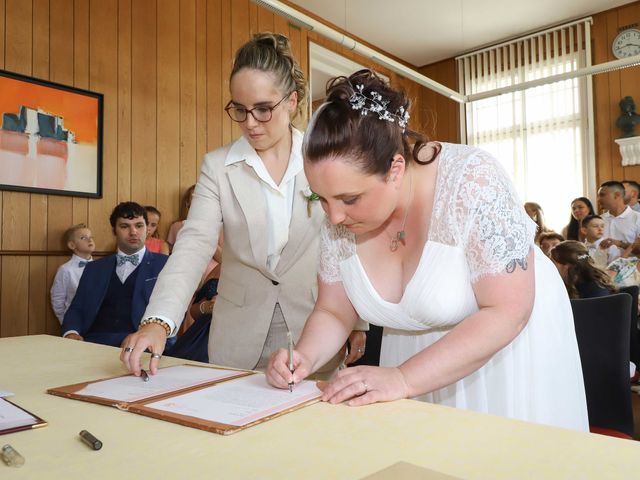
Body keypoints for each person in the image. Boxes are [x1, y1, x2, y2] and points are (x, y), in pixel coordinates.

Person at [266, 69, 588, 431]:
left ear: (395, 169)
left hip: (503, 349)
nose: (334, 216)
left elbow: (507, 311)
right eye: (319, 198)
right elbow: (334, 311)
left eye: (349, 198)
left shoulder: (472, 180)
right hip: (409, 358)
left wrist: (403, 378)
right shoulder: (340, 220)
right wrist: (305, 356)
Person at [120, 33, 366, 376]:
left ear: (292, 101)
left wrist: (359, 320)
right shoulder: (218, 167)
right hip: (238, 335)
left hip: (317, 327)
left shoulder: (323, 156)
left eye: (264, 109)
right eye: (239, 109)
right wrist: (158, 321)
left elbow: (348, 241)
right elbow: (194, 245)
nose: (250, 123)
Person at [62, 202, 174, 349]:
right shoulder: (94, 268)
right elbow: (77, 308)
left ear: (147, 229)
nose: (133, 232)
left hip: (144, 344)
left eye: (139, 226)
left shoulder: (166, 265)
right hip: (94, 342)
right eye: (125, 226)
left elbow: (173, 310)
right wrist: (71, 332)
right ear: (114, 230)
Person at [50, 224, 95, 324]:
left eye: (91, 237)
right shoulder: (65, 270)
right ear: (72, 245)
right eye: (83, 238)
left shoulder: (102, 268)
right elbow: (57, 299)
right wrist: (67, 324)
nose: (90, 240)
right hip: (75, 322)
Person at [549, 241, 616, 299]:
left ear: (566, 266)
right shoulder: (599, 282)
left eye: (553, 263)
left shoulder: (595, 290)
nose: (550, 267)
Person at [598, 180, 640, 258]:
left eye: (602, 195)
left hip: (631, 268)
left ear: (616, 195)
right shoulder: (599, 219)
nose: (599, 199)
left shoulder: (638, 219)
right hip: (601, 267)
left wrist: (621, 244)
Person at [166, 185, 195, 252]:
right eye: (195, 198)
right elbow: (171, 251)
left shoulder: (218, 226)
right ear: (187, 203)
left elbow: (222, 257)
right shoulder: (177, 226)